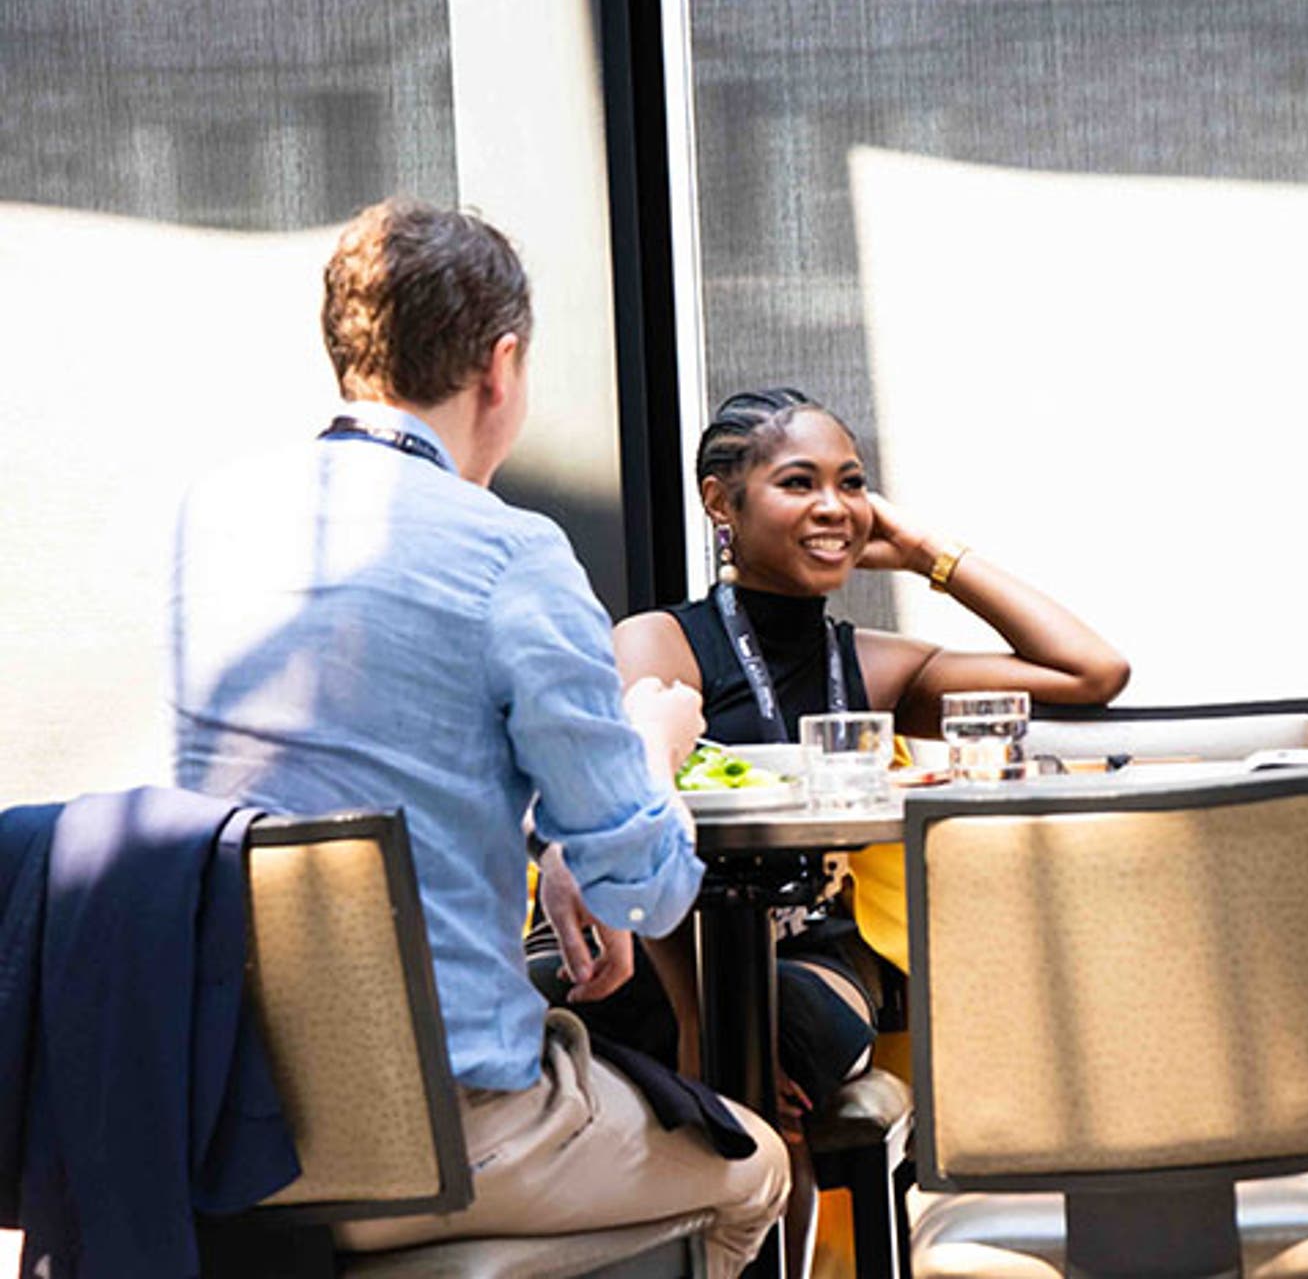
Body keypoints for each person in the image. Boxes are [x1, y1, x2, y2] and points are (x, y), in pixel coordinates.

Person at [170, 198, 787, 1275]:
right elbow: (649, 891)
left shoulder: (214, 518)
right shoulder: (508, 552)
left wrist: (550, 847)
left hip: (227, 1121)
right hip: (441, 1134)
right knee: (758, 1167)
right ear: (501, 368)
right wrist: (652, 744)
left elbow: (364, 764)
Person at [539, 385, 1128, 1272]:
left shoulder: (876, 667)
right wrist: (704, 1021)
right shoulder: (659, 643)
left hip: (806, 952)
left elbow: (1092, 670)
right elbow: (632, 827)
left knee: (780, 1038)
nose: (834, 507)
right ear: (718, 502)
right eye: (798, 482)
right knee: (698, 1048)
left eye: (851, 485)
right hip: (649, 950)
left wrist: (929, 553)